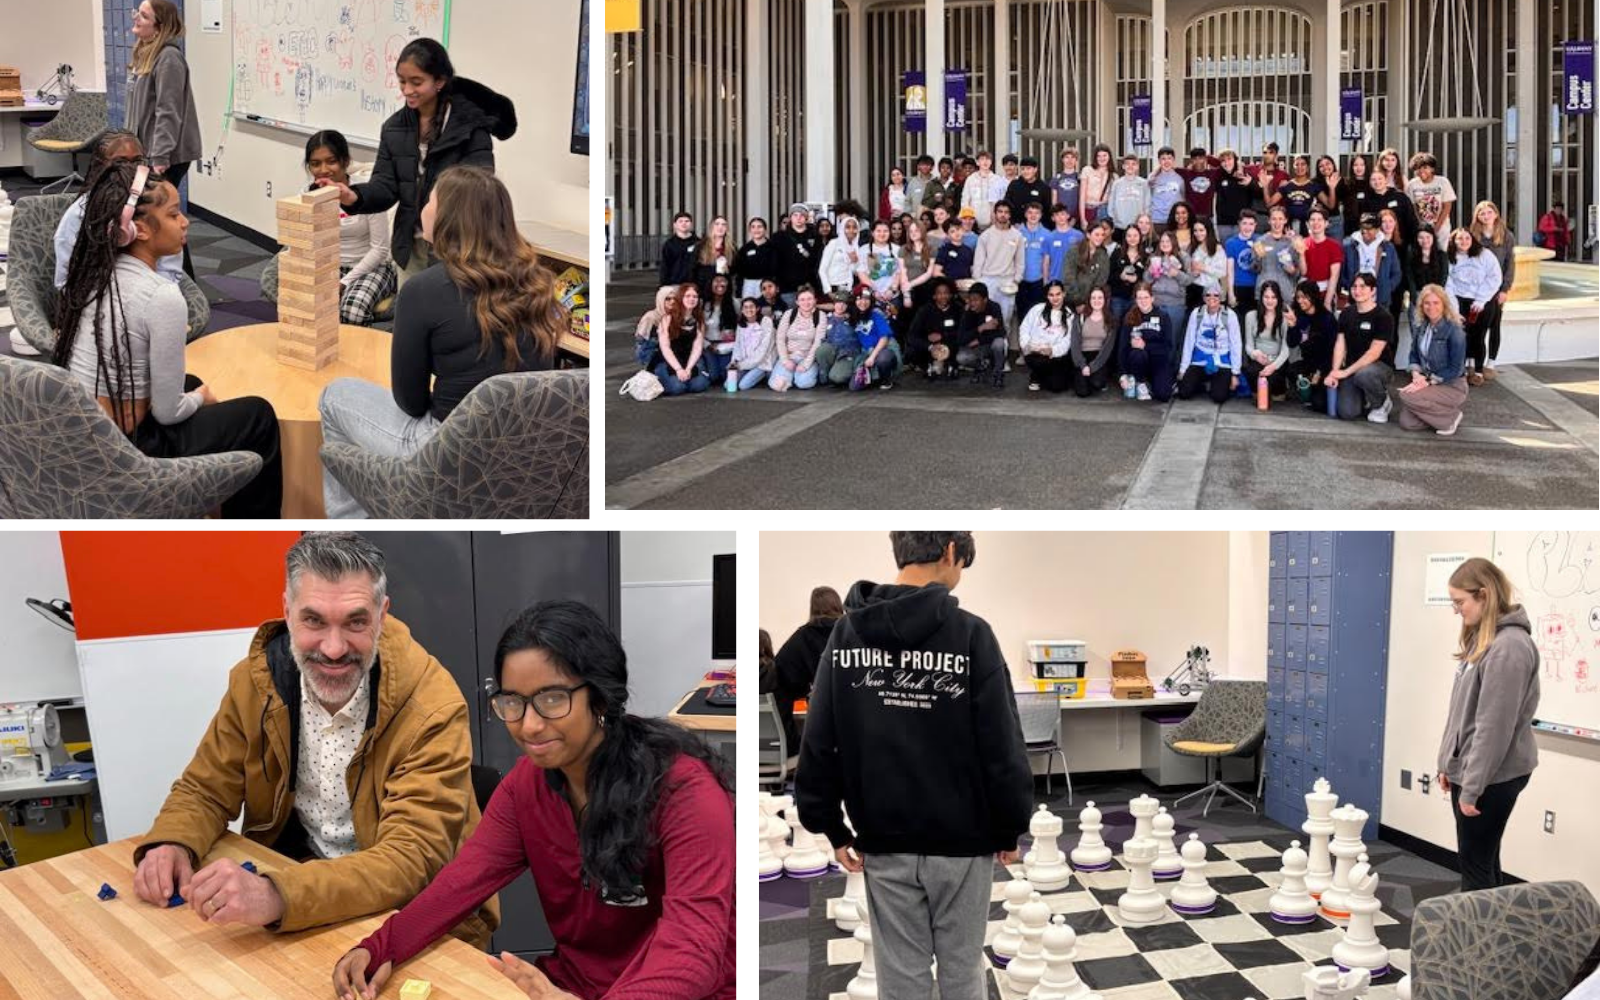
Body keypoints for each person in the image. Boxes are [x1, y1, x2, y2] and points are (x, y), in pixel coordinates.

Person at [334, 600, 735, 1000]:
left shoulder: (686, 792)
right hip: (573, 988)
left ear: (600, 697)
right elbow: (460, 884)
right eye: (513, 702)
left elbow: (692, 953)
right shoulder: (526, 787)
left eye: (552, 699)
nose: (529, 725)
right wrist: (380, 946)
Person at [135, 533, 496, 939]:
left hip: (414, 912)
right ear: (287, 611)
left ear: (382, 614)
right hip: (304, 892)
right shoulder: (254, 682)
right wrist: (172, 843)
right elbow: (205, 789)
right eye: (314, 620)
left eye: (356, 621)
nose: (335, 648)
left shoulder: (433, 704)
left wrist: (278, 895)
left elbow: (408, 860)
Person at [796, 532, 1032, 1000]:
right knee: (963, 972)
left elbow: (820, 739)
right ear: (949, 551)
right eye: (962, 563)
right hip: (964, 843)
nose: (959, 574)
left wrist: (831, 827)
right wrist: (1010, 826)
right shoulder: (971, 635)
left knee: (901, 978)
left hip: (885, 840)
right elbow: (1002, 744)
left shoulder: (845, 636)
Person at [319, 166, 562, 516]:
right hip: (525, 450)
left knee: (334, 395)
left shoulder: (423, 289)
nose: (424, 206)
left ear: (450, 217)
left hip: (446, 451)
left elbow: (412, 403)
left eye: (431, 199)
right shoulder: (538, 282)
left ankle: (353, 521)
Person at [53, 162, 281, 518]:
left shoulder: (94, 274)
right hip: (132, 448)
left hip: (88, 434)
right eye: (174, 214)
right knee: (258, 416)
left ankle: (209, 495)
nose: (185, 222)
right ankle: (249, 524)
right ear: (139, 230)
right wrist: (200, 397)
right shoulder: (160, 297)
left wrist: (192, 393)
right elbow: (167, 412)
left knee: (191, 383)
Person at [318, 39, 515, 278]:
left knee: (446, 313)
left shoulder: (470, 129)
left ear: (439, 82)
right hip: (410, 246)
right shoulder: (394, 128)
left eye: (416, 82)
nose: (407, 90)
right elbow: (385, 185)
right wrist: (353, 196)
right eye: (402, 81)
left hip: (457, 251)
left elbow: (477, 192)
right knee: (410, 309)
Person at [1436, 557, 1540, 892]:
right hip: (1473, 771)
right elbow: (1461, 712)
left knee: (1475, 867)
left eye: (1460, 602)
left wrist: (1473, 787)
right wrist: (1447, 763)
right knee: (1483, 859)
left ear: (1484, 595)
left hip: (1493, 776)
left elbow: (1492, 728)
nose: (1457, 611)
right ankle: (1493, 937)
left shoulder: (1508, 647)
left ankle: (1478, 942)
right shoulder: (1482, 640)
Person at [126, 0, 201, 277]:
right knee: (158, 219)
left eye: (143, 15)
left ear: (159, 26)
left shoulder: (169, 57)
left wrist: (159, 157)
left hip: (166, 156)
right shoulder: (145, 52)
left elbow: (168, 112)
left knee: (163, 219)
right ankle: (172, 277)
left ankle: (183, 280)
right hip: (148, 152)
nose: (136, 17)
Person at [299, 131, 398, 326]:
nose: (323, 170)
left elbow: (379, 249)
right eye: (315, 163)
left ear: (345, 161)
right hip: (329, 265)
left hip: (368, 267)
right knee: (304, 303)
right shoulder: (307, 194)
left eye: (331, 161)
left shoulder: (365, 193)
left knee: (352, 310)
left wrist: (344, 282)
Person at [772, 586, 845, 752]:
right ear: (838, 605)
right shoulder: (848, 631)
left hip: (790, 727)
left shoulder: (803, 635)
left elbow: (782, 670)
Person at [1397, 284, 1469, 435]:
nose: (1431, 307)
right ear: (1421, 306)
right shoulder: (1421, 326)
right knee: (1407, 422)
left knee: (1405, 396)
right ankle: (1442, 414)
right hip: (1429, 382)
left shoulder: (1454, 330)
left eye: (1436, 303)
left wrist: (1427, 382)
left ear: (1444, 304)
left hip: (1452, 385)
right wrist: (1416, 375)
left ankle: (1451, 417)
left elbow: (1456, 368)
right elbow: (1414, 354)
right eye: (1427, 303)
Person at [1327, 271, 1396, 422]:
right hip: (1353, 368)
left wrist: (1346, 372)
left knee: (1364, 375)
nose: (1357, 291)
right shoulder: (1346, 313)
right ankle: (1365, 396)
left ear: (1373, 290)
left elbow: (1374, 353)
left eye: (1363, 287)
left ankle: (1381, 403)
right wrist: (1335, 371)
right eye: (1354, 287)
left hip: (1378, 367)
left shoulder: (1383, 316)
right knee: (1347, 412)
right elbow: (1340, 344)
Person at [1445, 226, 1504, 386]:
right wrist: (1454, 309)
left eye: (1467, 238)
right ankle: (1461, 371)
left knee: (1479, 336)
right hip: (1460, 301)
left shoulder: (1485, 255)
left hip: (1482, 302)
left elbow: (1495, 278)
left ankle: (1478, 371)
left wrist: (1481, 299)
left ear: (1472, 240)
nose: (1464, 241)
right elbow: (1448, 283)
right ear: (1454, 241)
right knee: (1461, 338)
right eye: (1460, 239)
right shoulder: (1450, 257)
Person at [1469, 200, 1516, 379]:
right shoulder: (1473, 235)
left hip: (1496, 290)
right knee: (1473, 326)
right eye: (1482, 213)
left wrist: (1505, 289)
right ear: (1477, 216)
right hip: (1475, 289)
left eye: (1489, 212)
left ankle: (1491, 363)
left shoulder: (1506, 236)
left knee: (1494, 326)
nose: (1486, 215)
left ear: (1496, 214)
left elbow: (1510, 264)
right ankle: (1472, 362)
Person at [1175, 279, 1243, 403]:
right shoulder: (1197, 313)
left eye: (1216, 295)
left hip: (1221, 361)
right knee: (1184, 392)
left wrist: (1235, 373)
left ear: (1221, 297)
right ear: (1204, 297)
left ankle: (1214, 383)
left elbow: (1236, 344)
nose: (1212, 297)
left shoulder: (1230, 315)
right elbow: (1189, 341)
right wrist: (1183, 369)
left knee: (1218, 397)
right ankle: (1202, 383)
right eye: (1208, 294)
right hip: (1200, 359)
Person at [973, 202, 1024, 334]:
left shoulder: (1017, 236)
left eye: (1006, 212)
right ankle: (988, 350)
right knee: (987, 318)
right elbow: (978, 261)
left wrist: (1016, 280)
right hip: (988, 280)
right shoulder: (985, 236)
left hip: (1008, 282)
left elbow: (1020, 261)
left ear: (1010, 215)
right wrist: (979, 283)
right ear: (995, 214)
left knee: (1006, 319)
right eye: (1000, 211)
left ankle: (1004, 350)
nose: (1003, 215)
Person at [1119, 282, 1176, 401]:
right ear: (1135, 299)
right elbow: (1122, 347)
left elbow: (1168, 347)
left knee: (1163, 395)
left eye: (1146, 297)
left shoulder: (1163, 316)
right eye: (1139, 298)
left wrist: (1146, 346)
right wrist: (1123, 374)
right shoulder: (1129, 317)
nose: (1143, 301)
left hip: (1158, 361)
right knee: (1137, 353)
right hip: (1138, 362)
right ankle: (1140, 382)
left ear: (1152, 298)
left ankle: (1154, 383)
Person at [1017, 280, 1077, 393]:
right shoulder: (1037, 309)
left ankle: (1043, 376)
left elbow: (1068, 340)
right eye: (1051, 295)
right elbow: (1024, 328)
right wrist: (1027, 345)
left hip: (1055, 356)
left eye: (1058, 294)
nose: (1055, 298)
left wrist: (1052, 351)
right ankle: (1036, 375)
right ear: (1047, 296)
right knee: (1038, 362)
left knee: (1057, 387)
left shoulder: (1069, 315)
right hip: (1035, 353)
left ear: (1063, 294)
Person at [1286, 280, 1337, 408]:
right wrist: (1293, 326)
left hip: (1325, 365)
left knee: (1319, 404)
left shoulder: (1327, 319)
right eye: (1298, 297)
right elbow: (1292, 343)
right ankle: (1308, 393)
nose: (1300, 301)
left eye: (1304, 297)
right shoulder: (1299, 316)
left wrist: (1319, 372)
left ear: (1313, 296)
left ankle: (1316, 393)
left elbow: (1331, 350)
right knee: (1291, 370)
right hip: (1308, 363)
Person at [767, 286, 828, 391]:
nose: (806, 302)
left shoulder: (820, 316)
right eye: (802, 299)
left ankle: (800, 375)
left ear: (815, 300)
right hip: (790, 355)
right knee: (777, 386)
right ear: (797, 302)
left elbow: (818, 343)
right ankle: (790, 374)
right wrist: (785, 361)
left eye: (809, 299)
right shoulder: (789, 314)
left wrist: (806, 364)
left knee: (804, 383)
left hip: (808, 357)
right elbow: (780, 339)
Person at [1341, 212, 1402, 310]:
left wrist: (1386, 288)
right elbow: (1341, 272)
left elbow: (1396, 274)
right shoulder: (1348, 246)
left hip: (1380, 301)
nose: (1365, 231)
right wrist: (1350, 287)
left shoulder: (1388, 247)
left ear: (1377, 229)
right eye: (1363, 227)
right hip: (1354, 301)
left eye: (1370, 228)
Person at [1243, 279, 1291, 401]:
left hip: (1277, 361)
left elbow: (1285, 350)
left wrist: (1273, 366)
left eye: (1273, 297)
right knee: (1252, 371)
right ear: (1261, 297)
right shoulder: (1251, 316)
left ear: (1278, 298)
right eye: (1266, 297)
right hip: (1259, 359)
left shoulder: (1284, 318)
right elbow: (1248, 345)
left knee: (1274, 385)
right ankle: (1257, 392)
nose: (1269, 301)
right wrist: (1255, 354)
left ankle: (1279, 390)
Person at [906, 278, 963, 378]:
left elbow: (963, 332)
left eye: (946, 293)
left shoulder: (958, 309)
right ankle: (928, 366)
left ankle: (950, 366)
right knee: (911, 351)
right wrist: (930, 346)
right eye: (939, 293)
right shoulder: (924, 310)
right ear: (934, 296)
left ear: (951, 295)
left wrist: (943, 336)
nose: (943, 296)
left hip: (950, 346)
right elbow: (912, 335)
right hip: (929, 347)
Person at [958, 282, 1008, 386]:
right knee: (961, 357)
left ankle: (998, 374)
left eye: (976, 300)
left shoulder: (994, 307)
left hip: (989, 344)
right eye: (970, 300)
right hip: (976, 347)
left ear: (985, 300)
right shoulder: (968, 312)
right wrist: (981, 328)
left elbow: (1001, 332)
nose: (972, 303)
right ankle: (980, 367)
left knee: (999, 343)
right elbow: (961, 338)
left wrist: (979, 340)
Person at [1145, 230, 1192, 337]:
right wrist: (1151, 273)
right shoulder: (1154, 257)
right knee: (1154, 337)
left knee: (1172, 338)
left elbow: (1189, 280)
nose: (1165, 244)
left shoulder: (1183, 257)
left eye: (1168, 241)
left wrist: (1177, 274)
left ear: (1174, 242)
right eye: (1162, 242)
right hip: (1156, 303)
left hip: (1175, 304)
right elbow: (1146, 280)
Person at [1071, 285, 1116, 397]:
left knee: (1097, 383)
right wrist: (1083, 365)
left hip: (1099, 356)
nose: (1097, 301)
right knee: (1082, 392)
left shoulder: (1111, 320)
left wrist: (1092, 367)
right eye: (1093, 298)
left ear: (1105, 300)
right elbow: (1075, 344)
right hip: (1082, 356)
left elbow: (1107, 349)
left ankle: (1097, 378)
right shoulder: (1080, 318)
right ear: (1089, 300)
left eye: (1100, 298)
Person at [773, 205, 822, 303]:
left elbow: (818, 261)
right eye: (795, 215)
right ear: (790, 218)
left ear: (806, 218)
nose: (798, 218)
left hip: (809, 285)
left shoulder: (815, 236)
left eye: (802, 215)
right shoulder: (779, 237)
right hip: (787, 287)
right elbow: (775, 262)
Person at [1014, 201, 1052, 324]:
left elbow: (1049, 259)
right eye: (1030, 212)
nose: (1033, 216)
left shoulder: (1047, 234)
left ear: (1041, 215)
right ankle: (1021, 339)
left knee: (1037, 312)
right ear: (1025, 214)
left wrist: (1046, 280)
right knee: (1021, 312)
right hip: (1020, 279)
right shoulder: (1017, 232)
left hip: (1038, 280)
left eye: (1037, 213)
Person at [1406, 152, 1457, 242]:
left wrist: (1437, 227)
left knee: (1441, 252)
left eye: (1425, 168)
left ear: (1432, 168)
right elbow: (1413, 207)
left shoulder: (1442, 182)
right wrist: (1422, 226)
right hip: (1422, 228)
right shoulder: (1412, 185)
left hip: (1442, 227)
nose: (1421, 171)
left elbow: (1447, 206)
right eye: (1418, 168)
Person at [1062, 219, 1112, 309]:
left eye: (1102, 235)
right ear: (1088, 235)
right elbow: (1069, 278)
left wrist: (1090, 302)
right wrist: (1078, 302)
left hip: (1092, 303)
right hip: (1072, 301)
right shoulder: (1074, 252)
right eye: (1097, 234)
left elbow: (1101, 281)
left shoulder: (1103, 255)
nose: (1100, 237)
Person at [728, 297, 775, 391]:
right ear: (741, 310)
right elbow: (738, 345)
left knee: (743, 386)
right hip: (744, 362)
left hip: (762, 363)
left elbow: (763, 350)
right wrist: (734, 361)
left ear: (757, 308)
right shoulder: (741, 324)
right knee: (729, 386)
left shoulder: (766, 321)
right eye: (745, 307)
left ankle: (762, 374)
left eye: (751, 307)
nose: (748, 309)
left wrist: (742, 365)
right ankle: (749, 374)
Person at [1299, 208, 1343, 310]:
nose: (1316, 223)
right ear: (1307, 223)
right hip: (1306, 293)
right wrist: (1301, 253)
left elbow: (1334, 276)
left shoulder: (1334, 246)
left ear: (1326, 223)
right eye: (1312, 220)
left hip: (1326, 291)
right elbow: (1303, 272)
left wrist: (1327, 301)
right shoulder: (1303, 243)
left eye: (1320, 220)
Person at [1107, 224, 1148, 331]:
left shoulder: (1145, 256)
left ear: (1140, 237)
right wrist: (1120, 277)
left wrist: (1137, 279)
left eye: (1135, 235)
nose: (1132, 238)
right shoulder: (1117, 253)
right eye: (1129, 236)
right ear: (1125, 237)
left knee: (1132, 328)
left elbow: (1148, 277)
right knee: (1115, 327)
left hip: (1136, 298)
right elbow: (1109, 276)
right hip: (1118, 298)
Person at [1405, 227, 1450, 325]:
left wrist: (1435, 294)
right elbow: (1409, 276)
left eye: (1428, 237)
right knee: (1416, 326)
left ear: (1433, 238)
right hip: (1417, 294)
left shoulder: (1442, 255)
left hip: (1436, 295)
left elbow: (1444, 276)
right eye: (1421, 237)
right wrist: (1415, 296)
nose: (1424, 240)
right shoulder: (1411, 254)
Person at [1252, 205, 1302, 295]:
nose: (1277, 222)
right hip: (1265, 293)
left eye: (1280, 219)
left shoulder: (1292, 243)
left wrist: (1293, 271)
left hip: (1286, 292)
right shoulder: (1260, 242)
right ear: (1269, 221)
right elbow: (1255, 270)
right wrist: (1258, 258)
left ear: (1285, 220)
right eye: (1274, 219)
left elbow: (1299, 272)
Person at [700, 274, 739, 386]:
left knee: (725, 375)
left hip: (728, 346)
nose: (720, 284)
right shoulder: (703, 304)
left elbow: (741, 326)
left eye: (723, 281)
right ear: (710, 284)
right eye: (716, 281)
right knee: (713, 376)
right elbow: (697, 331)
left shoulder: (735, 303)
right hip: (708, 345)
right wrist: (707, 345)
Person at [856, 220, 904, 308]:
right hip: (870, 297)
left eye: (885, 231)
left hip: (892, 297)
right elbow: (861, 272)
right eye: (878, 231)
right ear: (872, 233)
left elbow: (899, 272)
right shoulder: (864, 249)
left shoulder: (897, 249)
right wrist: (874, 292)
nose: (882, 234)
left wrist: (891, 290)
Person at [1213, 149, 1257, 243]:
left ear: (1235, 160)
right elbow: (1209, 159)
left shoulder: (1245, 174)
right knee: (1226, 251)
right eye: (1223, 161)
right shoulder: (1218, 175)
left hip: (1242, 223)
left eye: (1229, 159)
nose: (1226, 163)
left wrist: (1251, 183)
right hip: (1224, 223)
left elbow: (1258, 192)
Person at [1224, 209, 1261, 320]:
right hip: (1238, 286)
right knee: (1237, 320)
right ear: (1239, 224)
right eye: (1244, 223)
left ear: (1255, 225)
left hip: (1255, 287)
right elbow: (1229, 270)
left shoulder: (1260, 240)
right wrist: (1230, 292)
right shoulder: (1231, 242)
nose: (1247, 227)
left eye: (1251, 224)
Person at [1365, 169, 1418, 244]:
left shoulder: (1400, 197)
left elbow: (1411, 220)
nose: (1377, 182)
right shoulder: (1367, 201)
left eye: (1380, 178)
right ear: (1370, 183)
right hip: (1378, 243)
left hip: (1401, 241)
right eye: (1373, 180)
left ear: (1386, 180)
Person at [1185, 218, 1227, 310]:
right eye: (1195, 231)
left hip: (1211, 290)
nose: (1198, 233)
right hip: (1194, 289)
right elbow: (1188, 270)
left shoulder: (1217, 248)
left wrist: (1204, 268)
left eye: (1201, 230)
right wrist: (1192, 272)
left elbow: (1222, 272)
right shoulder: (1192, 247)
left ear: (1208, 230)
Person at [819, 216, 865, 299]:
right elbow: (822, 270)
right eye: (848, 227)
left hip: (848, 288)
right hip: (833, 288)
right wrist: (828, 291)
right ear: (842, 228)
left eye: (854, 227)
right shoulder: (834, 243)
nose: (851, 230)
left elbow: (855, 272)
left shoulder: (856, 247)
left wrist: (855, 261)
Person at [960, 150, 1008, 229]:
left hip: (993, 221)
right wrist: (966, 219)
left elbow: (1001, 201)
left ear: (991, 162)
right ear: (977, 162)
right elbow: (965, 200)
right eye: (982, 159)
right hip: (973, 221)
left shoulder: (997, 179)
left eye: (988, 159)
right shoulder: (971, 179)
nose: (985, 162)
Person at [1276, 155, 1323, 234]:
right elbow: (1269, 202)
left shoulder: (1313, 185)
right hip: (1290, 225)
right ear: (1293, 167)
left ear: (1307, 167)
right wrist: (1266, 185)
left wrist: (1331, 187)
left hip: (1307, 225)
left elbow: (1329, 204)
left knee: (1306, 246)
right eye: (1297, 164)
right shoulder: (1287, 185)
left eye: (1303, 164)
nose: (1299, 167)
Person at [734, 217, 778, 300]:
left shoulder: (773, 248)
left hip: (767, 284)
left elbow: (776, 270)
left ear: (765, 229)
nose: (756, 230)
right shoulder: (744, 249)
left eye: (759, 227)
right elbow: (739, 271)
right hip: (748, 285)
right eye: (753, 227)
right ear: (749, 230)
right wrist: (738, 291)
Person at [633, 286, 677, 368]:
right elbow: (642, 341)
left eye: (675, 299)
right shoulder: (651, 317)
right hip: (653, 355)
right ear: (661, 300)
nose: (672, 301)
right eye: (668, 299)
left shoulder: (676, 316)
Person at [1147, 147, 1187, 231]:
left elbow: (1183, 197)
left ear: (1173, 160)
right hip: (1156, 220)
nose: (1166, 161)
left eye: (1169, 158)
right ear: (1159, 161)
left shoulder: (1180, 178)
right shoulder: (1152, 178)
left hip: (1174, 220)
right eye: (1163, 159)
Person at [1107, 154, 1150, 233]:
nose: (1130, 166)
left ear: (1137, 166)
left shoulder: (1143, 183)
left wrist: (1143, 222)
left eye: (1133, 164)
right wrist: (1114, 219)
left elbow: (1147, 205)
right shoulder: (1117, 183)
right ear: (1123, 166)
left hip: (1137, 227)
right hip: (1120, 226)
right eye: (1127, 164)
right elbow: (1111, 205)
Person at [694, 215, 735, 296]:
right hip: (704, 287)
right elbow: (694, 268)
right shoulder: (701, 245)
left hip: (724, 288)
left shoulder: (732, 247)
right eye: (717, 224)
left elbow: (736, 269)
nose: (720, 227)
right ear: (712, 227)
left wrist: (728, 268)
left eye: (723, 225)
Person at [1178, 146, 1223, 219]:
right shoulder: (1186, 173)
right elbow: (1169, 166)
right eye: (1195, 159)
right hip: (1190, 216)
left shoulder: (1212, 173)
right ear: (1191, 160)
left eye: (1201, 158)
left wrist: (1209, 158)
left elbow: (1223, 165)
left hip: (1207, 216)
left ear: (1205, 159)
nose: (1198, 161)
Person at [657, 212, 698, 288]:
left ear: (691, 224)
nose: (684, 223)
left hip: (694, 284)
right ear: (675, 225)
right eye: (680, 221)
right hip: (674, 284)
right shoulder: (669, 244)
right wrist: (663, 285)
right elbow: (665, 266)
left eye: (687, 221)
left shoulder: (699, 243)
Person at [1005, 157, 1051, 221]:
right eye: (1023, 169)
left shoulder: (1044, 187)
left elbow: (1047, 211)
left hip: (1036, 226)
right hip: (1016, 225)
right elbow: (1007, 205)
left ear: (1035, 169)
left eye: (1028, 168)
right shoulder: (1014, 185)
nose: (1025, 171)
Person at [1340, 153, 1374, 237]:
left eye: (1362, 165)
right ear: (1351, 167)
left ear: (1366, 166)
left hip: (1369, 224)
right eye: (1355, 165)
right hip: (1350, 225)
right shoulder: (1345, 183)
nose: (1359, 168)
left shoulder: (1372, 182)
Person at [1314, 155, 1347, 240]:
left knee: (1336, 250)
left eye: (1327, 164)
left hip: (1336, 220)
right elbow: (1330, 205)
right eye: (1321, 166)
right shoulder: (1315, 182)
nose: (1325, 167)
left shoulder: (1342, 180)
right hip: (1319, 220)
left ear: (1333, 164)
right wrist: (1331, 188)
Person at [1080, 144, 1114, 223]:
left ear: (1109, 156)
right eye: (1099, 156)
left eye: (1104, 155)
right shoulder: (1087, 170)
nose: (1102, 158)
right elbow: (1082, 196)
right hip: (1089, 208)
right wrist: (1082, 218)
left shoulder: (1114, 175)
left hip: (1105, 210)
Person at [1050, 147, 1082, 224]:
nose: (1069, 160)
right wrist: (1056, 216)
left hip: (1076, 218)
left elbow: (1082, 199)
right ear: (1062, 160)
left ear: (1076, 160)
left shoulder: (1080, 178)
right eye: (1066, 157)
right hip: (1060, 218)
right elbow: (1054, 201)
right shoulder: (1056, 178)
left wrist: (1075, 217)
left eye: (1073, 157)